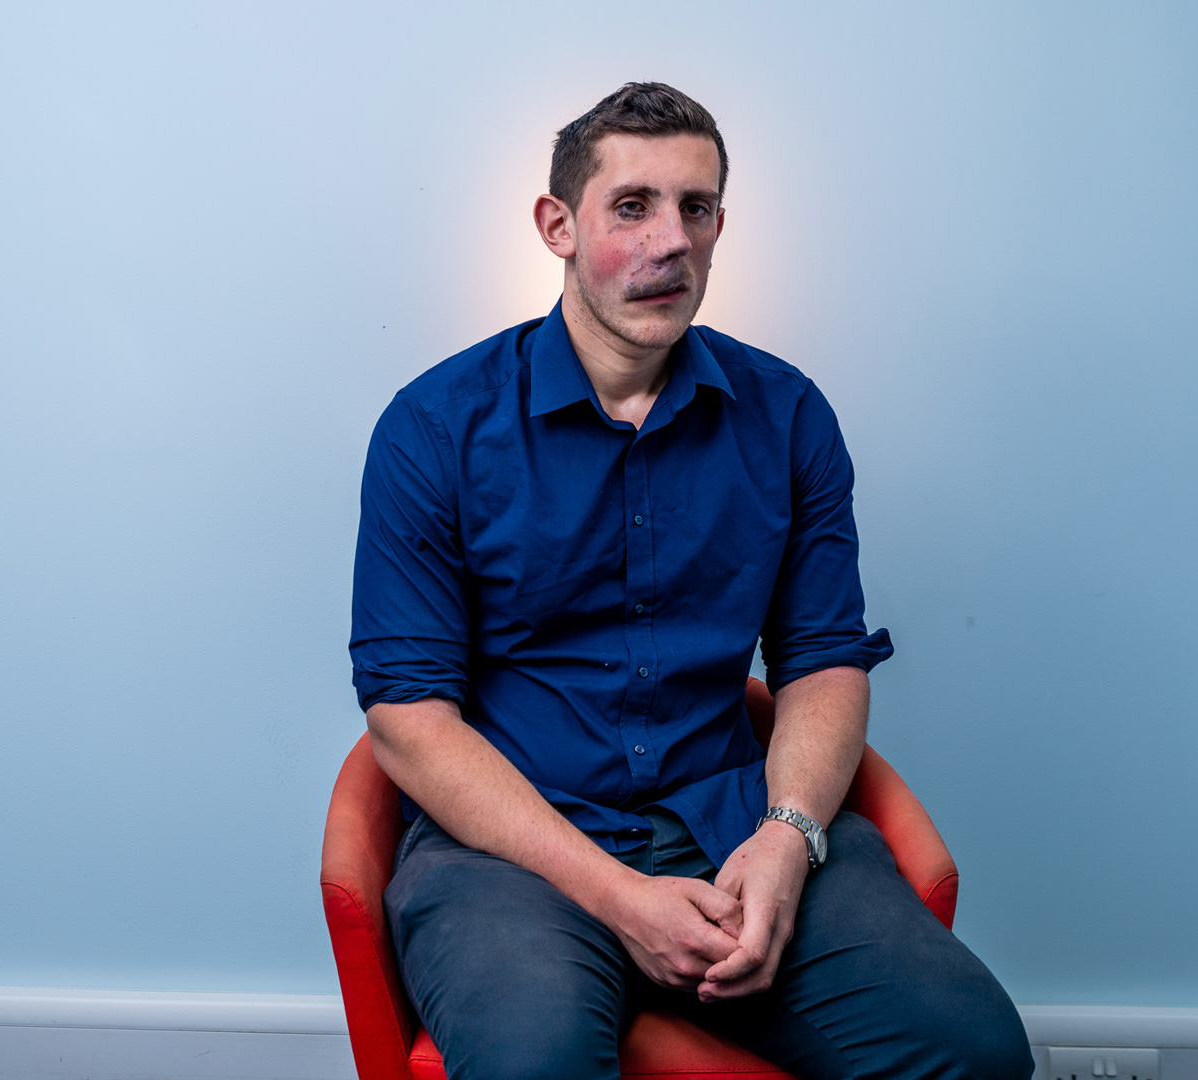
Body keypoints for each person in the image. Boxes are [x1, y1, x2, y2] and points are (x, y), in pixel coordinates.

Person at [349, 82, 1031, 1080]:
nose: (671, 241)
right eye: (632, 206)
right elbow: (407, 716)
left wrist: (788, 840)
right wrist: (618, 898)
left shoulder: (788, 416)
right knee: (533, 1062)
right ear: (559, 225)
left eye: (696, 208)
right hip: (513, 852)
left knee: (977, 1052)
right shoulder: (434, 427)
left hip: (731, 824)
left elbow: (824, 661)